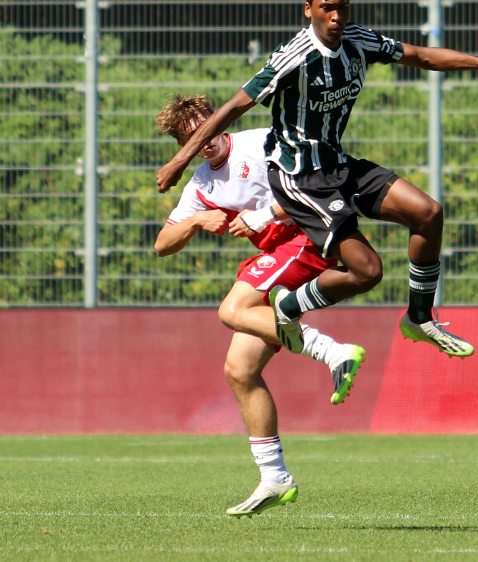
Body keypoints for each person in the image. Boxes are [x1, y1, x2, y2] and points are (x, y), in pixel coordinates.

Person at [156, 0, 478, 359]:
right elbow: (232, 108)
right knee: (369, 272)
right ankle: (288, 308)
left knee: (428, 212)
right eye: (328, 7)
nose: (337, 16)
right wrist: (181, 159)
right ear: (309, 9)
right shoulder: (294, 57)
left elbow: (420, 55)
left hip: (338, 165)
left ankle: (419, 317)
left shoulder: (358, 40)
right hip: (300, 179)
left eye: (343, 7)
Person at [154, 93, 365, 517]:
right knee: (240, 369)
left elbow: (314, 178)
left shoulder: (264, 142)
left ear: (217, 119)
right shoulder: (201, 184)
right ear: (183, 145)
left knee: (230, 309)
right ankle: (275, 477)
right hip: (275, 261)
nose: (202, 137)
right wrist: (195, 220)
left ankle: (332, 352)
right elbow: (161, 245)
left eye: (205, 124)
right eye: (189, 136)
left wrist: (269, 214)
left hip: (305, 237)